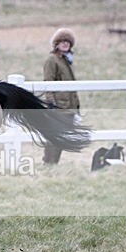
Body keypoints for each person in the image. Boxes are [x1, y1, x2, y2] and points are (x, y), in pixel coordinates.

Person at [42, 28, 80, 165]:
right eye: (62, 41)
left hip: (69, 107)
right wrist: (51, 104)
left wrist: (76, 105)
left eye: (68, 41)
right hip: (59, 106)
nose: (65, 44)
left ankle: (54, 163)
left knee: (63, 138)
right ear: (56, 43)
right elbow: (48, 83)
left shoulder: (66, 61)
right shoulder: (52, 60)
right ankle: (49, 163)